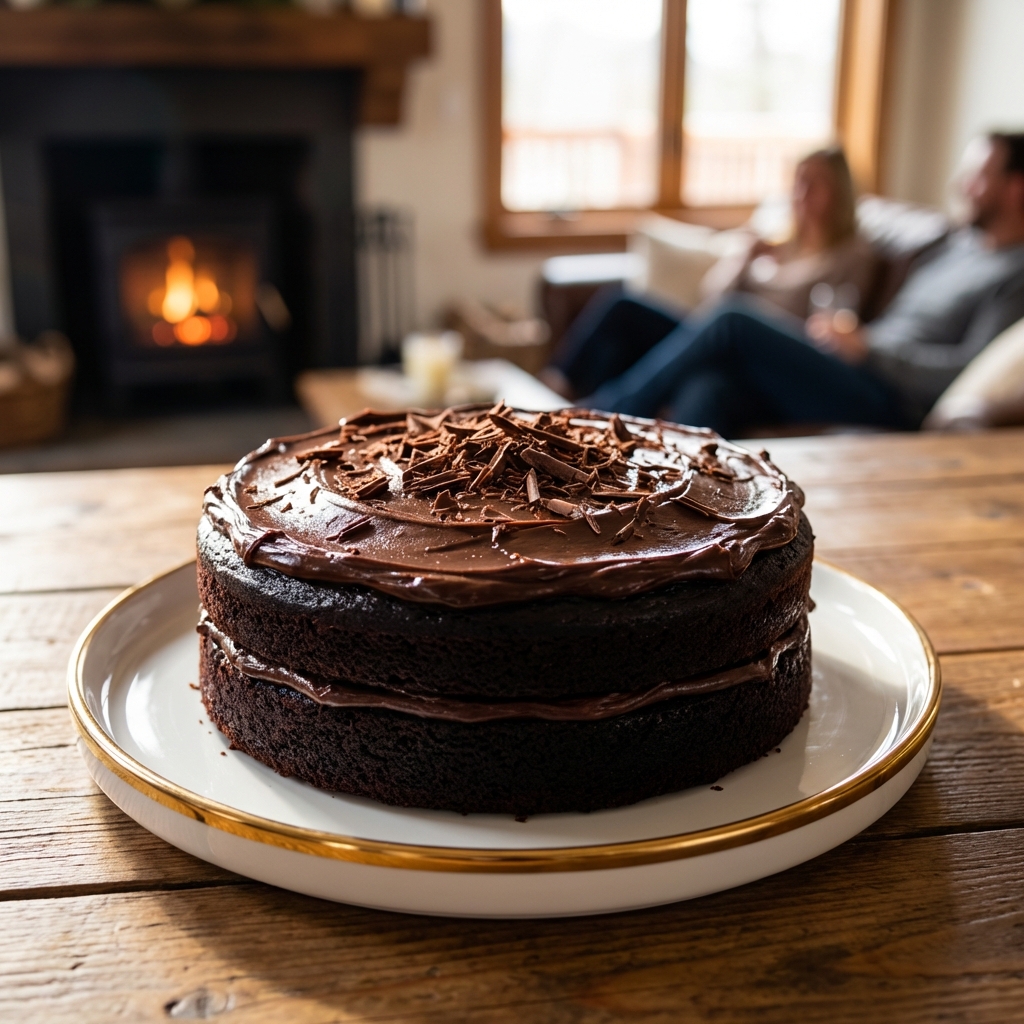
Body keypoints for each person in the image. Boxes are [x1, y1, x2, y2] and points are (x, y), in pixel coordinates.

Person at [553, 133, 1024, 437]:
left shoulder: (1012, 274)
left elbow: (961, 374)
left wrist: (869, 350)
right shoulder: (952, 246)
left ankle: (602, 420)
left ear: (1015, 188)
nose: (962, 185)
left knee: (733, 321)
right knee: (713, 384)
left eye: (979, 175)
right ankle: (666, 508)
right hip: (854, 362)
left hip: (891, 397)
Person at [544, 147, 876, 401]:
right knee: (624, 307)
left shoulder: (850, 254)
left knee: (708, 383)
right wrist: (743, 259)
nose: (802, 193)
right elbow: (711, 299)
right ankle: (555, 386)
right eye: (798, 181)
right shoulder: (779, 241)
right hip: (711, 337)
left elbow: (830, 328)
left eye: (815, 184)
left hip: (755, 356)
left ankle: (602, 412)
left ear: (839, 192)